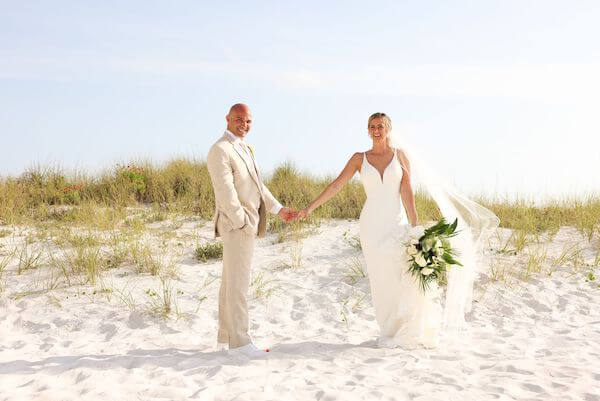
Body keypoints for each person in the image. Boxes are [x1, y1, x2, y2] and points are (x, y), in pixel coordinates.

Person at [298, 112, 499, 348]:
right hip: (371, 225)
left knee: (401, 274)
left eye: (380, 126)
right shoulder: (358, 158)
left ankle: (407, 327)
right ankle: (388, 330)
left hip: (397, 223)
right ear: (368, 130)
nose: (376, 130)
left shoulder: (400, 156)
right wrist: (309, 209)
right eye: (372, 126)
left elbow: (407, 191)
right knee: (381, 279)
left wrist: (415, 227)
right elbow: (336, 185)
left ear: (389, 129)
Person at [207, 103, 297, 357]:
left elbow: (258, 186)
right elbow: (225, 193)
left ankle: (226, 338)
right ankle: (241, 343)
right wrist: (243, 223)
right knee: (238, 285)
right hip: (237, 225)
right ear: (227, 118)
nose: (244, 125)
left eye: (248, 121)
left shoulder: (244, 148)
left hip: (245, 224)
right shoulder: (220, 150)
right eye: (239, 120)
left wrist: (280, 209)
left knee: (229, 282)